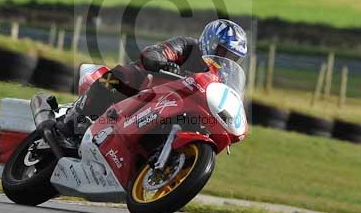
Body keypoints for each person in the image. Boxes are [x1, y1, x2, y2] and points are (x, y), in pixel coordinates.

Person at [51, 19, 248, 148]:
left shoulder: (221, 79)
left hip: (175, 108)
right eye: (222, 51)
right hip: (144, 89)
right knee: (119, 76)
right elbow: (154, 52)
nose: (224, 58)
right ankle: (71, 124)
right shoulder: (188, 46)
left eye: (232, 57)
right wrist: (165, 63)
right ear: (209, 41)